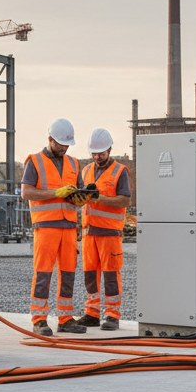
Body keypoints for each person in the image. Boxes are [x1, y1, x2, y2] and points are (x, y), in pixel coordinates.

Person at [21, 119, 87, 336]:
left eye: (67, 145)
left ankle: (65, 319)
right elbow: (26, 192)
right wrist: (55, 193)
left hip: (69, 226)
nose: (64, 148)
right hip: (46, 225)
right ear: (50, 139)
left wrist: (80, 199)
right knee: (43, 273)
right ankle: (39, 319)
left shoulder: (74, 163)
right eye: (60, 144)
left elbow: (78, 194)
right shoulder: (35, 161)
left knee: (68, 273)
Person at [73, 128, 131, 331]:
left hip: (109, 232)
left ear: (109, 150)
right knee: (90, 275)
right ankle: (92, 313)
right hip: (89, 233)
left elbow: (124, 200)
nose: (97, 157)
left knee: (111, 274)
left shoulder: (120, 171)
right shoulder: (86, 170)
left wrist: (100, 197)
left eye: (101, 153)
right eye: (94, 153)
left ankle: (112, 315)